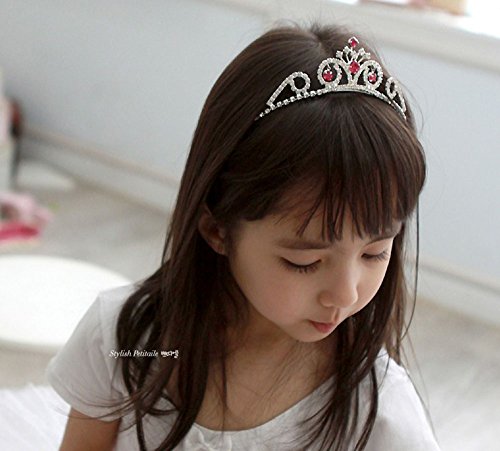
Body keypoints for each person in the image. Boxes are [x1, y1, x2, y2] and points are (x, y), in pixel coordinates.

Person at [46, 21, 441, 451]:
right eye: (304, 262)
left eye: (375, 253)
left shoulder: (379, 412)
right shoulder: (127, 343)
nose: (344, 294)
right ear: (217, 228)